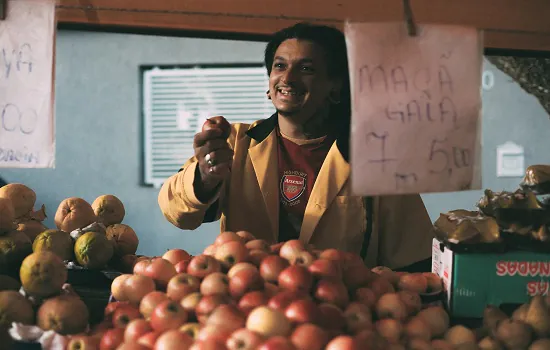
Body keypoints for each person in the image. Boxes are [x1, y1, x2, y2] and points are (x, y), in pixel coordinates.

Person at [158, 22, 435, 271]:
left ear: (336, 87)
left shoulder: (378, 160)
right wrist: (206, 178)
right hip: (247, 308)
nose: (288, 79)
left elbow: (415, 260)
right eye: (280, 66)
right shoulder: (236, 142)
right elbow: (177, 213)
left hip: (340, 312)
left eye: (306, 69)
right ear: (269, 85)